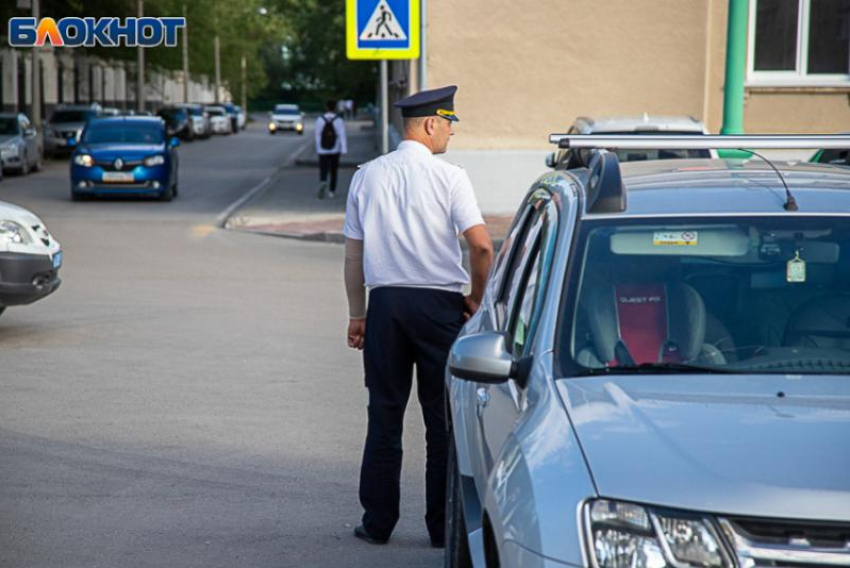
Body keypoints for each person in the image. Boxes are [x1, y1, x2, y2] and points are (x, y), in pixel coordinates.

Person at [342, 85, 494, 548]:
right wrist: (477, 299)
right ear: (430, 124)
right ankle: (440, 527)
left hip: (386, 307)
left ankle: (378, 523)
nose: (450, 131)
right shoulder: (451, 177)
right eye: (449, 122)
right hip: (439, 309)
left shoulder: (366, 175)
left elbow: (353, 256)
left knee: (384, 416)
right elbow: (482, 245)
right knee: (442, 421)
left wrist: (358, 315)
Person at [315, 100, 347, 199]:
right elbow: (342, 135)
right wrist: (344, 149)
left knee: (323, 168)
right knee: (334, 170)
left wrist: (318, 148)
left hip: (322, 149)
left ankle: (323, 181)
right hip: (335, 149)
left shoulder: (320, 119)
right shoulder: (339, 120)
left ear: (326, 107)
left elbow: (317, 134)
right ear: (335, 108)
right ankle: (332, 191)